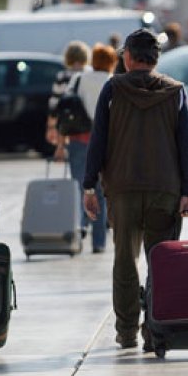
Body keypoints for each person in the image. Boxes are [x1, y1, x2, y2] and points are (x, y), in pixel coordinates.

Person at [82, 29, 188, 351]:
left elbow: (98, 142)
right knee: (160, 262)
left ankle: (126, 331)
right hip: (166, 190)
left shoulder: (112, 90)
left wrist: (89, 185)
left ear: (128, 58)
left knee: (124, 261)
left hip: (123, 190)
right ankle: (155, 329)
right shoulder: (176, 92)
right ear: (156, 58)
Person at [56, 43, 116, 254]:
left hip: (79, 139)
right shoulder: (112, 82)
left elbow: (65, 107)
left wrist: (60, 143)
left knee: (80, 187)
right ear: (111, 62)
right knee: (100, 193)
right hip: (105, 142)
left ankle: (79, 228)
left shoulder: (79, 78)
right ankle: (99, 242)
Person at [50, 41, 92, 242]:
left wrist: (59, 143)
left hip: (73, 134)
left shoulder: (62, 77)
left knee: (78, 181)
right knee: (97, 181)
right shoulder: (92, 74)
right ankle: (97, 220)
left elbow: (57, 111)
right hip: (93, 134)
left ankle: (81, 221)